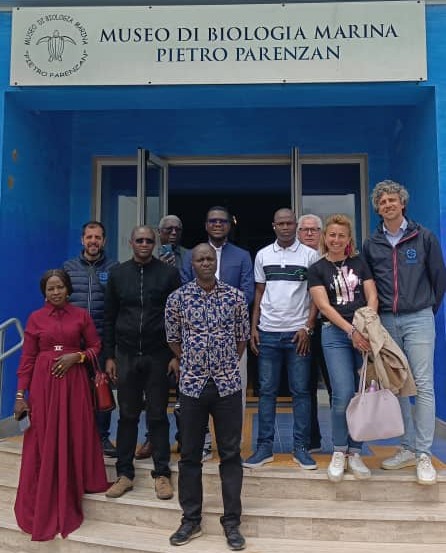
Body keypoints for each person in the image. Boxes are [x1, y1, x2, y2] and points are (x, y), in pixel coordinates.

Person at [166, 244, 250, 550]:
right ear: (192, 264)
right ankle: (190, 520)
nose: (205, 263)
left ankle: (232, 522)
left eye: (210, 259)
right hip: (192, 385)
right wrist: (194, 361)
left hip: (227, 386)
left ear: (216, 262)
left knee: (230, 454)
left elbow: (242, 338)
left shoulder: (235, 297)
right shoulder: (178, 298)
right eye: (200, 259)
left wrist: (223, 363)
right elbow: (173, 339)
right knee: (189, 455)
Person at [14, 269, 109, 541]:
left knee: (74, 431)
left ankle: (73, 482)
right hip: (43, 386)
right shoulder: (35, 318)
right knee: (42, 435)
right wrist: (20, 395)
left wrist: (76, 357)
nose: (55, 292)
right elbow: (28, 358)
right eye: (50, 288)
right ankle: (47, 484)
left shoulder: (81, 316)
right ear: (44, 293)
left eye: (60, 287)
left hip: (74, 385)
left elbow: (96, 346)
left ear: (68, 289)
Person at [363, 180, 446, 485]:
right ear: (377, 208)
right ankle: (408, 447)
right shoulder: (372, 244)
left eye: (392, 200)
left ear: (402, 203)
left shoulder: (423, 237)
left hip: (419, 318)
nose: (387, 205)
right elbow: (369, 283)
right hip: (386, 320)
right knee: (396, 384)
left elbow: (439, 278)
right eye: (382, 201)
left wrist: (425, 310)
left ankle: (423, 453)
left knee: (422, 385)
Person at [103, 225, 181, 500]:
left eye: (149, 240)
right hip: (125, 356)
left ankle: (162, 474)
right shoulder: (117, 274)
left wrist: (176, 355)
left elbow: (178, 316)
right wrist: (109, 356)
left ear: (154, 242)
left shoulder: (169, 274)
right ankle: (124, 474)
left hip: (158, 355)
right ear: (131, 242)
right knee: (127, 416)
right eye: (140, 240)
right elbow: (109, 317)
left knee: (158, 416)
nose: (145, 244)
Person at [243, 208, 318, 470]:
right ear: (274, 226)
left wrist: (308, 327)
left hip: (298, 335)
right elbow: (259, 292)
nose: (285, 227)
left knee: (301, 392)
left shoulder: (310, 255)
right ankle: (264, 448)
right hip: (268, 333)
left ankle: (301, 448)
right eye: (281, 224)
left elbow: (316, 295)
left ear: (296, 226)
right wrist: (254, 327)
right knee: (266, 393)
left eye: (289, 223)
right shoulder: (263, 255)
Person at [308, 214, 378, 482]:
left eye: (341, 236)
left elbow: (372, 295)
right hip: (335, 334)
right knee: (342, 393)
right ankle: (339, 450)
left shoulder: (360, 263)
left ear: (349, 239)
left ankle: (356, 452)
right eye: (332, 235)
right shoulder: (317, 269)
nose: (336, 240)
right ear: (325, 237)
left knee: (361, 394)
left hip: (364, 332)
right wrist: (351, 332)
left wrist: (366, 325)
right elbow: (324, 307)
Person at [181, 206, 254, 460]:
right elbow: (184, 290)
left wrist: (223, 314)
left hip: (231, 337)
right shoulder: (191, 255)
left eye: (222, 221)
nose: (218, 224)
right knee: (196, 394)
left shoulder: (242, 256)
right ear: (206, 225)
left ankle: (232, 446)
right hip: (196, 339)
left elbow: (247, 292)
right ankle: (203, 442)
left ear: (229, 225)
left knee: (234, 393)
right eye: (213, 220)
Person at [136, 214, 190, 461]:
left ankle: (185, 438)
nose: (173, 233)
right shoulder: (148, 256)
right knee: (153, 394)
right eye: (168, 229)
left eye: (177, 229)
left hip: (185, 332)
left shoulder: (190, 256)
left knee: (185, 393)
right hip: (155, 334)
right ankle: (152, 438)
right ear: (159, 233)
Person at [63, 220, 119, 458]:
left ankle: (102, 437)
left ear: (104, 241)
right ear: (82, 240)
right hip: (73, 342)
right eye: (89, 237)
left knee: (101, 389)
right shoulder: (68, 268)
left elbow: (117, 306)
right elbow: (60, 302)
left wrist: (112, 348)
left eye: (97, 237)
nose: (93, 241)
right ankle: (75, 438)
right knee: (73, 391)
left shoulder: (115, 268)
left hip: (102, 340)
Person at [297, 214, 332, 452]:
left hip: (330, 327)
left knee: (335, 385)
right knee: (305, 386)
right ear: (298, 233)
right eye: (305, 229)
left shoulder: (331, 258)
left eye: (314, 229)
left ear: (321, 233)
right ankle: (311, 440)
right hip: (303, 330)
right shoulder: (294, 258)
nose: (309, 233)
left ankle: (345, 442)